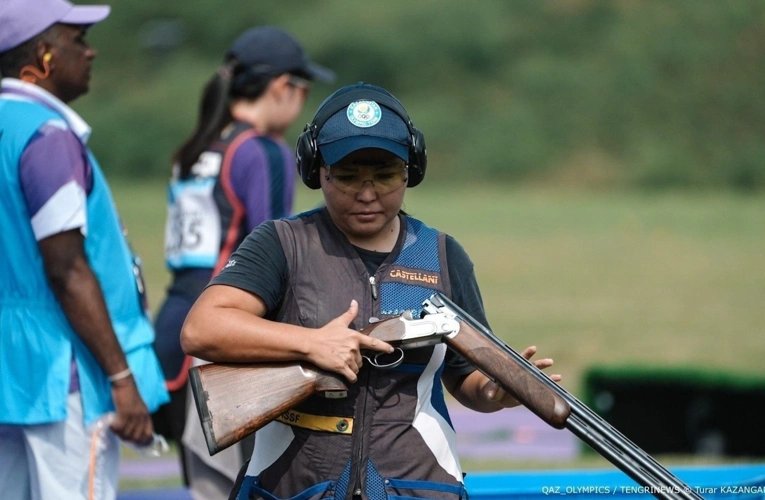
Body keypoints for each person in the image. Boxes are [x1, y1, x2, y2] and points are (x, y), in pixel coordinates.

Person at [181, 82, 560, 500]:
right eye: (347, 178)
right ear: (317, 170)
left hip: (416, 485)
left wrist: (494, 393)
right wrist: (312, 344)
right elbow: (202, 328)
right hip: (295, 486)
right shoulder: (282, 243)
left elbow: (464, 375)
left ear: (410, 172)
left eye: (385, 176)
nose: (366, 194)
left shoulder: (442, 254)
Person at [151, 25, 335, 498]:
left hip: (172, 337)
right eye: (303, 89)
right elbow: (277, 258)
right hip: (226, 344)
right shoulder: (263, 151)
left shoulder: (196, 148)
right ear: (282, 87)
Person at [0, 0, 169, 498]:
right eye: (78, 39)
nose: (90, 52)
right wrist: (121, 376)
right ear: (44, 54)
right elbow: (67, 268)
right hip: (64, 370)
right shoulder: (47, 137)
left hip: (11, 371)